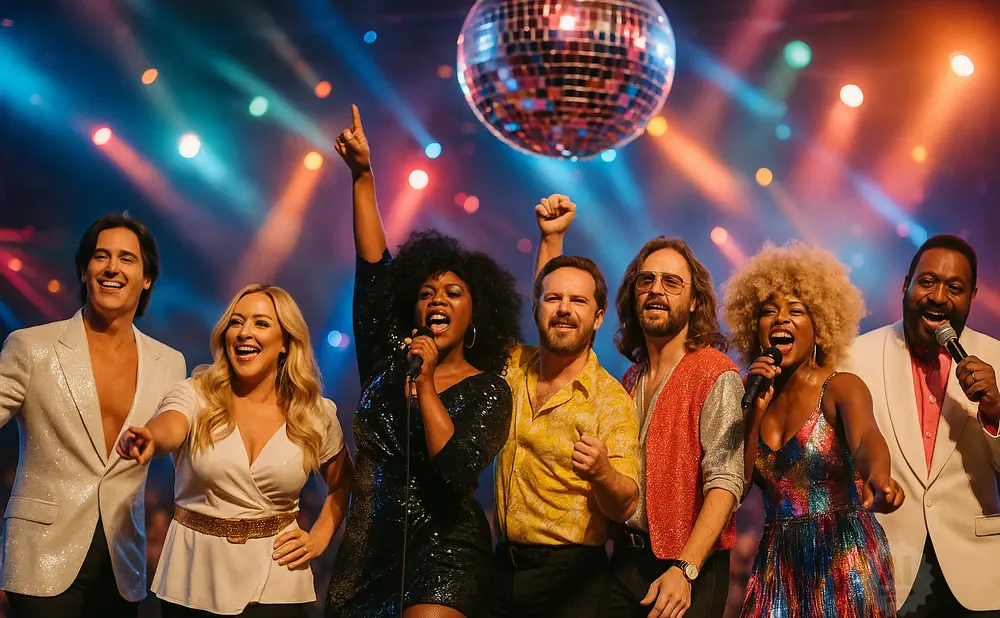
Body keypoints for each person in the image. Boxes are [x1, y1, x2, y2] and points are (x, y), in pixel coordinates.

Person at [325, 105, 521, 618]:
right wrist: (363, 176)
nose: (438, 299)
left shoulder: (489, 390)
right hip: (368, 549)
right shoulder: (388, 360)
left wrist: (429, 385)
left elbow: (456, 472)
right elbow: (372, 268)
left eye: (454, 292)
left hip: (444, 555)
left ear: (476, 314)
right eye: (427, 292)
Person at [537, 197, 744, 618]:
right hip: (626, 562)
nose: (655, 290)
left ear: (693, 302)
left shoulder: (714, 371)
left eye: (672, 283)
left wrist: (685, 569)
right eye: (646, 281)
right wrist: (552, 240)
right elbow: (555, 322)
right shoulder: (628, 381)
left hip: (689, 567)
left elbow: (726, 482)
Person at [117, 284, 353, 618]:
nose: (244, 333)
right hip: (194, 576)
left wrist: (319, 537)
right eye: (236, 322)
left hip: (278, 578)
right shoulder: (195, 394)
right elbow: (171, 425)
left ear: (286, 341)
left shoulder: (313, 412)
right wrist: (150, 438)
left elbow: (342, 483)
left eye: (260, 323)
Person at [0, 214, 186, 617]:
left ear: (147, 277)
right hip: (39, 554)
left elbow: (178, 429)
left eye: (127, 258)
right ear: (84, 272)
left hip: (122, 561)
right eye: (101, 256)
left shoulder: (169, 362)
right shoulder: (32, 346)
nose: (112, 268)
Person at [722, 241, 903, 618]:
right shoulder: (749, 396)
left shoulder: (841, 387)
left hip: (842, 558)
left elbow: (867, 438)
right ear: (754, 330)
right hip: (777, 563)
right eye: (768, 311)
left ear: (819, 326)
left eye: (797, 311)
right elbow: (734, 487)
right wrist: (753, 413)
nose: (781, 319)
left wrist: (879, 476)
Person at [488, 199, 640, 618]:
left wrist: (603, 473)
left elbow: (627, 503)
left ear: (598, 317)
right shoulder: (512, 366)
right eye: (554, 299)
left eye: (579, 302)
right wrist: (551, 237)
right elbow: (545, 286)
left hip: (572, 581)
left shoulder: (610, 401)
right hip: (502, 569)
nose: (565, 310)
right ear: (537, 308)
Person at [839, 234, 1000, 617]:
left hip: (979, 573)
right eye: (927, 282)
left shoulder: (996, 357)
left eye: (955, 288)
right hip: (886, 568)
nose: (939, 297)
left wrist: (995, 414)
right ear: (905, 285)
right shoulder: (853, 356)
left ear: (972, 296)